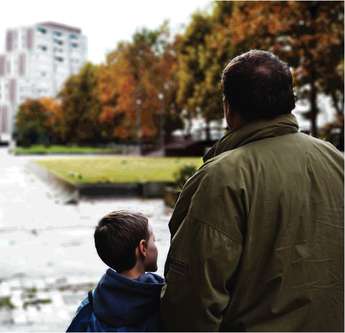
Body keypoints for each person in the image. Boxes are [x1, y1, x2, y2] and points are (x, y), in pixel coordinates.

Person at [160, 50, 344, 331]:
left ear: (228, 108)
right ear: (290, 102)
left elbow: (191, 302)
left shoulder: (220, 178)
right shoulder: (337, 162)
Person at [67, 211, 164, 332]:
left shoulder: (89, 307)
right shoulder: (163, 302)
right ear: (143, 248)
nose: (155, 246)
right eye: (154, 241)